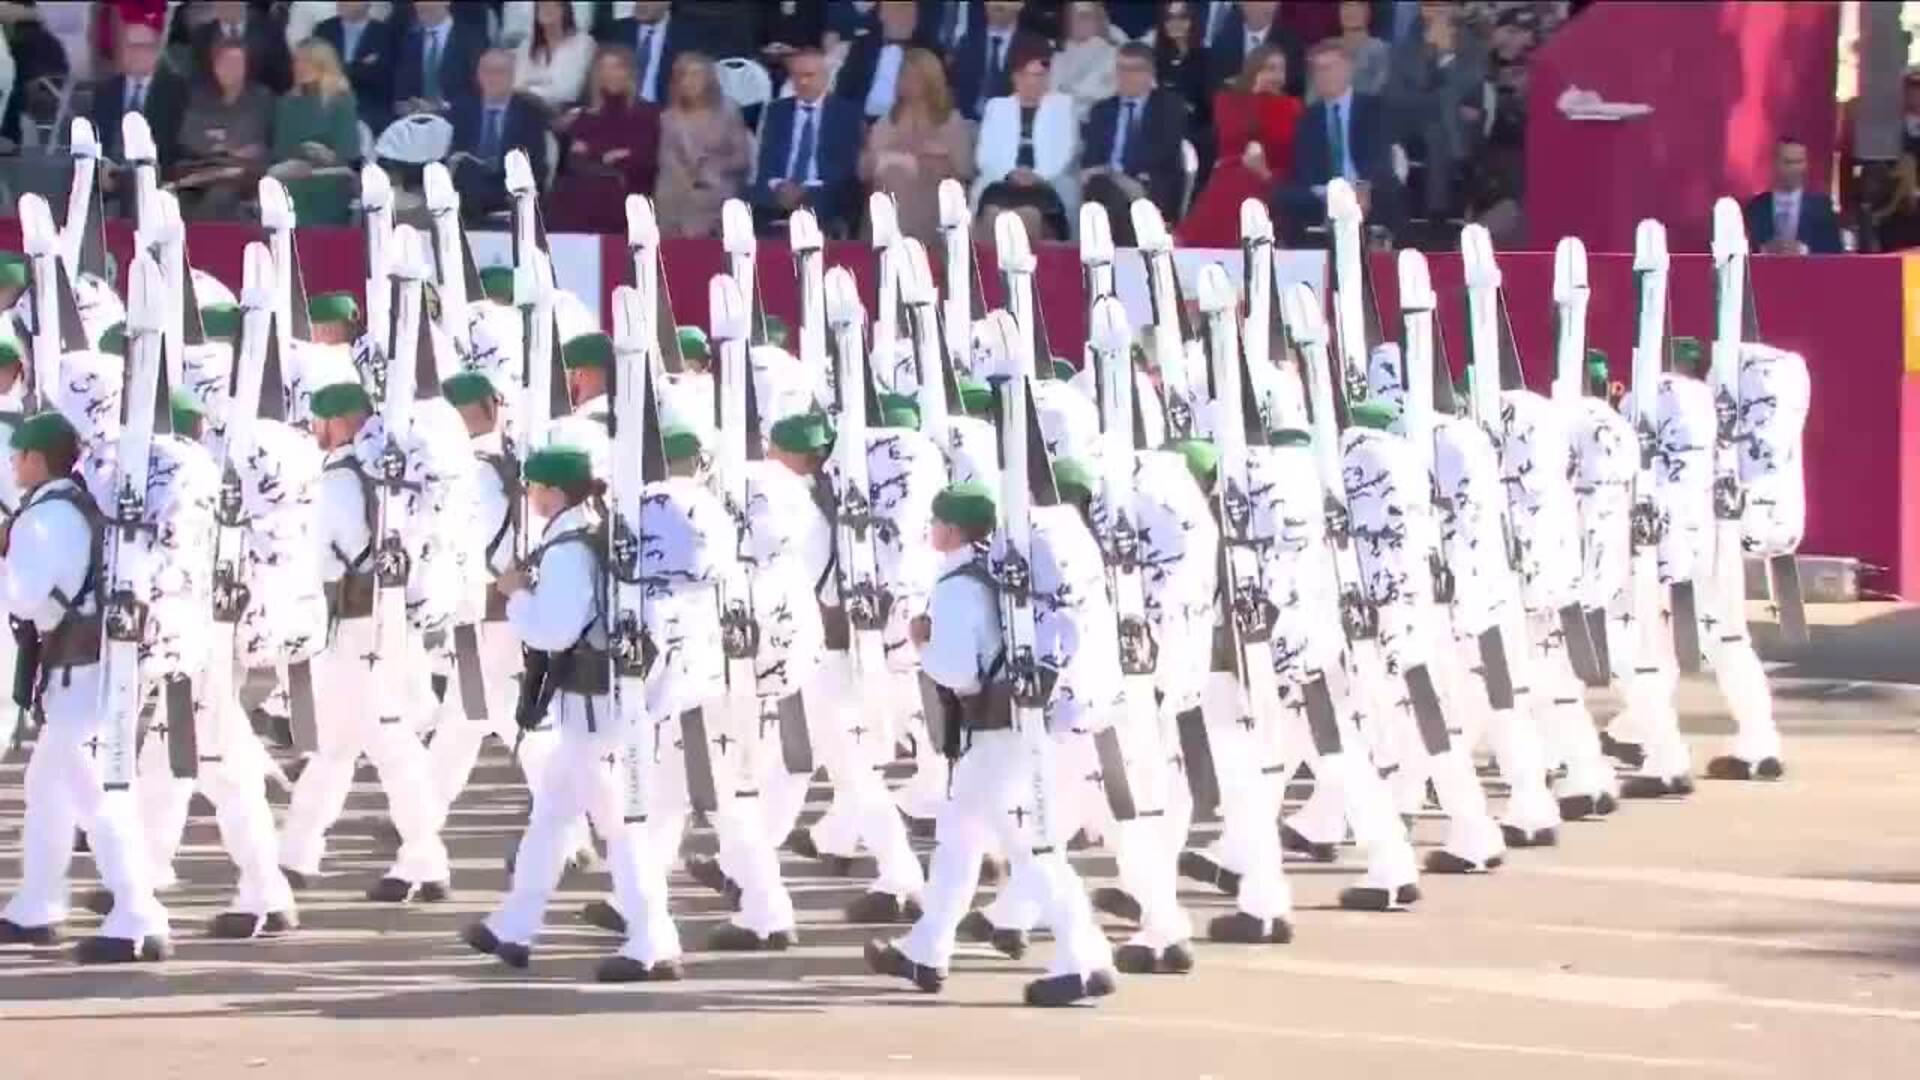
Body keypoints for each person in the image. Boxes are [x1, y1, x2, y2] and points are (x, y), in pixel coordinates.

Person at [866, 480, 1118, 1007]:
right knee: (958, 838)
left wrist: (922, 643)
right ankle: (927, 948)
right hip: (1005, 730)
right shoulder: (996, 567)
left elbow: (960, 671)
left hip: (998, 732)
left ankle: (1087, 958)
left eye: (936, 521)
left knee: (1034, 850)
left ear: (949, 530)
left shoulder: (959, 583)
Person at [460, 425, 683, 982]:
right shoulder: (591, 535)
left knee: (621, 826)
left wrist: (515, 598)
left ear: (552, 494)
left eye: (534, 488)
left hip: (593, 708)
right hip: (596, 703)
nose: (530, 497)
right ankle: (514, 925)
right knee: (553, 814)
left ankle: (654, 939)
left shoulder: (566, 551)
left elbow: (555, 631)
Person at [277, 351, 453, 904]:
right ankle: (297, 851)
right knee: (336, 743)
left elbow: (325, 560)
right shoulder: (385, 476)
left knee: (385, 743)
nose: (316, 432)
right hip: (388, 617)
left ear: (340, 422)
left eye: (320, 422)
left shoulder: (340, 480)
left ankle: (425, 856)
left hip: (356, 623)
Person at [0, 411, 174, 964]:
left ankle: (139, 915)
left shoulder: (44, 518)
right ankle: (37, 904)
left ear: (33, 459)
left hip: (77, 669)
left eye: (16, 454)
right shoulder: (77, 506)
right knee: (47, 786)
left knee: (96, 796)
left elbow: (24, 598)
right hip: (87, 663)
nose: (10, 464)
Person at [1279, 40, 1406, 242]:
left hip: (1366, 187)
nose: (1323, 75)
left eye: (1330, 67)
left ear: (1348, 70)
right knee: (1284, 196)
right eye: (1318, 70)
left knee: (1387, 192)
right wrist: (1330, 195)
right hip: (1325, 195)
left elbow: (1380, 157)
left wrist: (1361, 187)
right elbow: (1305, 170)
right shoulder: (1308, 118)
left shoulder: (1374, 108)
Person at [1180, 45, 1301, 246]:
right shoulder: (1228, 102)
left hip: (1274, 174)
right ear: (1254, 70)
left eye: (1281, 69)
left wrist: (1264, 171)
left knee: (1246, 179)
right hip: (1233, 172)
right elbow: (1232, 137)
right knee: (1238, 178)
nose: (1276, 76)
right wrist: (1255, 97)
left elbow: (1284, 147)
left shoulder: (1292, 107)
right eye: (1269, 69)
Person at [858, 47, 974, 248]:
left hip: (933, 197)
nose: (908, 80)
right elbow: (864, 170)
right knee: (893, 178)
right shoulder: (886, 122)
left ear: (931, 81)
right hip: (888, 196)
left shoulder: (951, 122)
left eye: (915, 75)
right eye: (904, 74)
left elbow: (963, 171)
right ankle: (891, 248)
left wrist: (929, 160)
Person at [1080, 43, 1189, 247]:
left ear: (1150, 74)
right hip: (1106, 185)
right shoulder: (1102, 110)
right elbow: (1091, 159)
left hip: (1151, 184)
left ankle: (1118, 263)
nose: (1126, 76)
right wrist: (1116, 177)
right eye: (1121, 69)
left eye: (1135, 70)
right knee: (1105, 193)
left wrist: (1131, 180)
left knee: (1117, 201)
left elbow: (1165, 154)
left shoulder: (1169, 107)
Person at [1386, 4, 1486, 220]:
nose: (1436, 11)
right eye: (1429, 6)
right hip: (1412, 117)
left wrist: (1447, 61)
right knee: (1445, 103)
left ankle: (1436, 210)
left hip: (1450, 123)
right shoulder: (1406, 44)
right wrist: (1433, 50)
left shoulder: (1472, 46)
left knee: (1438, 126)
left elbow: (1470, 85)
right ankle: (1461, 163)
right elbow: (1401, 94)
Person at [749, 47, 863, 236]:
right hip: (778, 195)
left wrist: (805, 190)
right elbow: (767, 162)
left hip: (823, 194)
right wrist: (778, 186)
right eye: (796, 76)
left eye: (809, 75)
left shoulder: (846, 113)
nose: (803, 82)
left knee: (836, 198)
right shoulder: (777, 111)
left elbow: (845, 166)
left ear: (825, 77)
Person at [547, 46, 661, 234]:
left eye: (617, 67)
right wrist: (611, 154)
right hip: (582, 200)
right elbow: (575, 159)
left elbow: (644, 160)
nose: (611, 74)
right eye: (605, 68)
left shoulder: (647, 113)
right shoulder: (583, 116)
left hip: (626, 198)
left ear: (630, 73)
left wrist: (594, 151)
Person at [973, 46, 1079, 243]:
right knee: (992, 212)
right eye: (1026, 75)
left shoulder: (1063, 106)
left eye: (1039, 75)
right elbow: (984, 156)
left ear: (1048, 77)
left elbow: (1066, 151)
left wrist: (1036, 175)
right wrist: (1011, 173)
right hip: (1003, 181)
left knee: (1030, 214)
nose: (1032, 82)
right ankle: (984, 267)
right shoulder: (997, 107)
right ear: (1015, 77)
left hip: (1046, 182)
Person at [653, 52, 753, 239]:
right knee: (670, 192)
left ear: (709, 79)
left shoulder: (729, 112)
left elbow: (742, 158)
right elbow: (666, 159)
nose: (690, 81)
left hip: (720, 179)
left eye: (696, 74)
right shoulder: (668, 118)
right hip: (680, 185)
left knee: (708, 195)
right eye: (684, 75)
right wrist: (689, 178)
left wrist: (716, 166)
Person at [90, 19, 187, 211]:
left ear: (157, 52)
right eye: (130, 46)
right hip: (111, 177)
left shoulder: (176, 90)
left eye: (143, 47)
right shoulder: (105, 91)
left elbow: (176, 145)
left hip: (157, 176)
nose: (136, 53)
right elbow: (96, 141)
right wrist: (101, 167)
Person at [173, 38, 275, 220]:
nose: (232, 69)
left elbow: (263, 143)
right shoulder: (200, 98)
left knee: (221, 195)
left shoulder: (262, 98)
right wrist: (219, 147)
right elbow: (189, 135)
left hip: (246, 175)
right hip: (203, 171)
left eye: (237, 63)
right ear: (215, 67)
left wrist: (229, 148)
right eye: (226, 63)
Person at [448, 48, 550, 222]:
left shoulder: (530, 113)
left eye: (500, 72)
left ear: (512, 76)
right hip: (468, 188)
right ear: (479, 75)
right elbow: (453, 157)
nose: (493, 78)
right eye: (487, 71)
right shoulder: (461, 110)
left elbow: (536, 161)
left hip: (508, 187)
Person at [269, 39, 361, 227]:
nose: (299, 67)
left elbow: (349, 152)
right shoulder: (287, 102)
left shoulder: (341, 100)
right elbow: (281, 150)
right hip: (293, 173)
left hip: (332, 175)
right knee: (281, 190)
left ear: (323, 65)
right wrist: (297, 159)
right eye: (297, 61)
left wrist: (326, 155)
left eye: (306, 61)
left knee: (302, 194)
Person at [949, 0, 1048, 122]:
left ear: (1020, 4)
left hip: (1014, 125)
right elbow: (954, 91)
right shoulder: (966, 43)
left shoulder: (1036, 47)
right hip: (967, 125)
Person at [1744, 138, 1844, 255]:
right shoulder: (1756, 207)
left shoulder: (1822, 207)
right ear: (1775, 164)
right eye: (1788, 162)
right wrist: (1765, 250)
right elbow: (1744, 251)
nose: (1794, 169)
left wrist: (1803, 250)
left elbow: (1834, 251)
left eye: (1799, 162)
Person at [837, 0, 928, 122]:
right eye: (897, 9)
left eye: (909, 10)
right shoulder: (862, 46)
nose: (904, 16)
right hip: (863, 120)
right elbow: (844, 90)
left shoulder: (927, 51)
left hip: (905, 123)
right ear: (882, 14)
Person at [394, 0, 486, 116]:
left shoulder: (472, 39)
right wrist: (406, 105)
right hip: (417, 122)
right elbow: (401, 93)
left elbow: (478, 91)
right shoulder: (409, 40)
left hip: (459, 120)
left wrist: (442, 106)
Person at [315, 0, 395, 134]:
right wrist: (359, 66)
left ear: (367, 4)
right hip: (328, 102)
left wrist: (339, 68)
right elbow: (318, 69)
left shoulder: (384, 33)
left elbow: (380, 76)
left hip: (369, 106)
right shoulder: (324, 29)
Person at [189, 0, 292, 95]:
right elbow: (197, 81)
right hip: (213, 108)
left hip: (262, 106)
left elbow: (283, 79)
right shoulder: (202, 36)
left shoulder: (270, 31)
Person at [1208, 1, 1305, 98]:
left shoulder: (1291, 45)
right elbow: (1215, 84)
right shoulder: (1224, 37)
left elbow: (1294, 92)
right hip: (1231, 106)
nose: (1262, 6)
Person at [514, 0, 595, 112]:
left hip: (560, 111)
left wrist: (530, 89)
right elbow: (517, 84)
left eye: (554, 4)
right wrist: (540, 87)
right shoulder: (526, 45)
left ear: (565, 9)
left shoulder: (582, 43)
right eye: (542, 5)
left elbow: (568, 91)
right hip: (526, 109)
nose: (547, 8)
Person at [601, 0, 684, 104]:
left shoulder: (687, 37)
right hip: (620, 108)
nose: (641, 4)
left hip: (664, 112)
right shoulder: (617, 30)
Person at [1050, 2, 1117, 122]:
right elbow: (1051, 91)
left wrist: (1073, 93)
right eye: (1073, 16)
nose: (1077, 21)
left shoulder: (1113, 55)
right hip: (1059, 121)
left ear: (1097, 20)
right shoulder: (1057, 56)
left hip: (1095, 122)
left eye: (1084, 16)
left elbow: (1106, 94)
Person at [1151, 1, 1211, 129]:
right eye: (1169, 17)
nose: (1175, 23)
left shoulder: (1206, 60)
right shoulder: (1155, 60)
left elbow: (1208, 108)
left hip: (1195, 131)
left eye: (1182, 17)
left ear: (1193, 20)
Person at [1319, 0, 1388, 97]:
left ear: (1368, 11)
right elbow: (1313, 96)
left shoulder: (1382, 50)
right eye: (1346, 6)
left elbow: (1380, 93)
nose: (1351, 11)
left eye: (1358, 6)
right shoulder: (1326, 48)